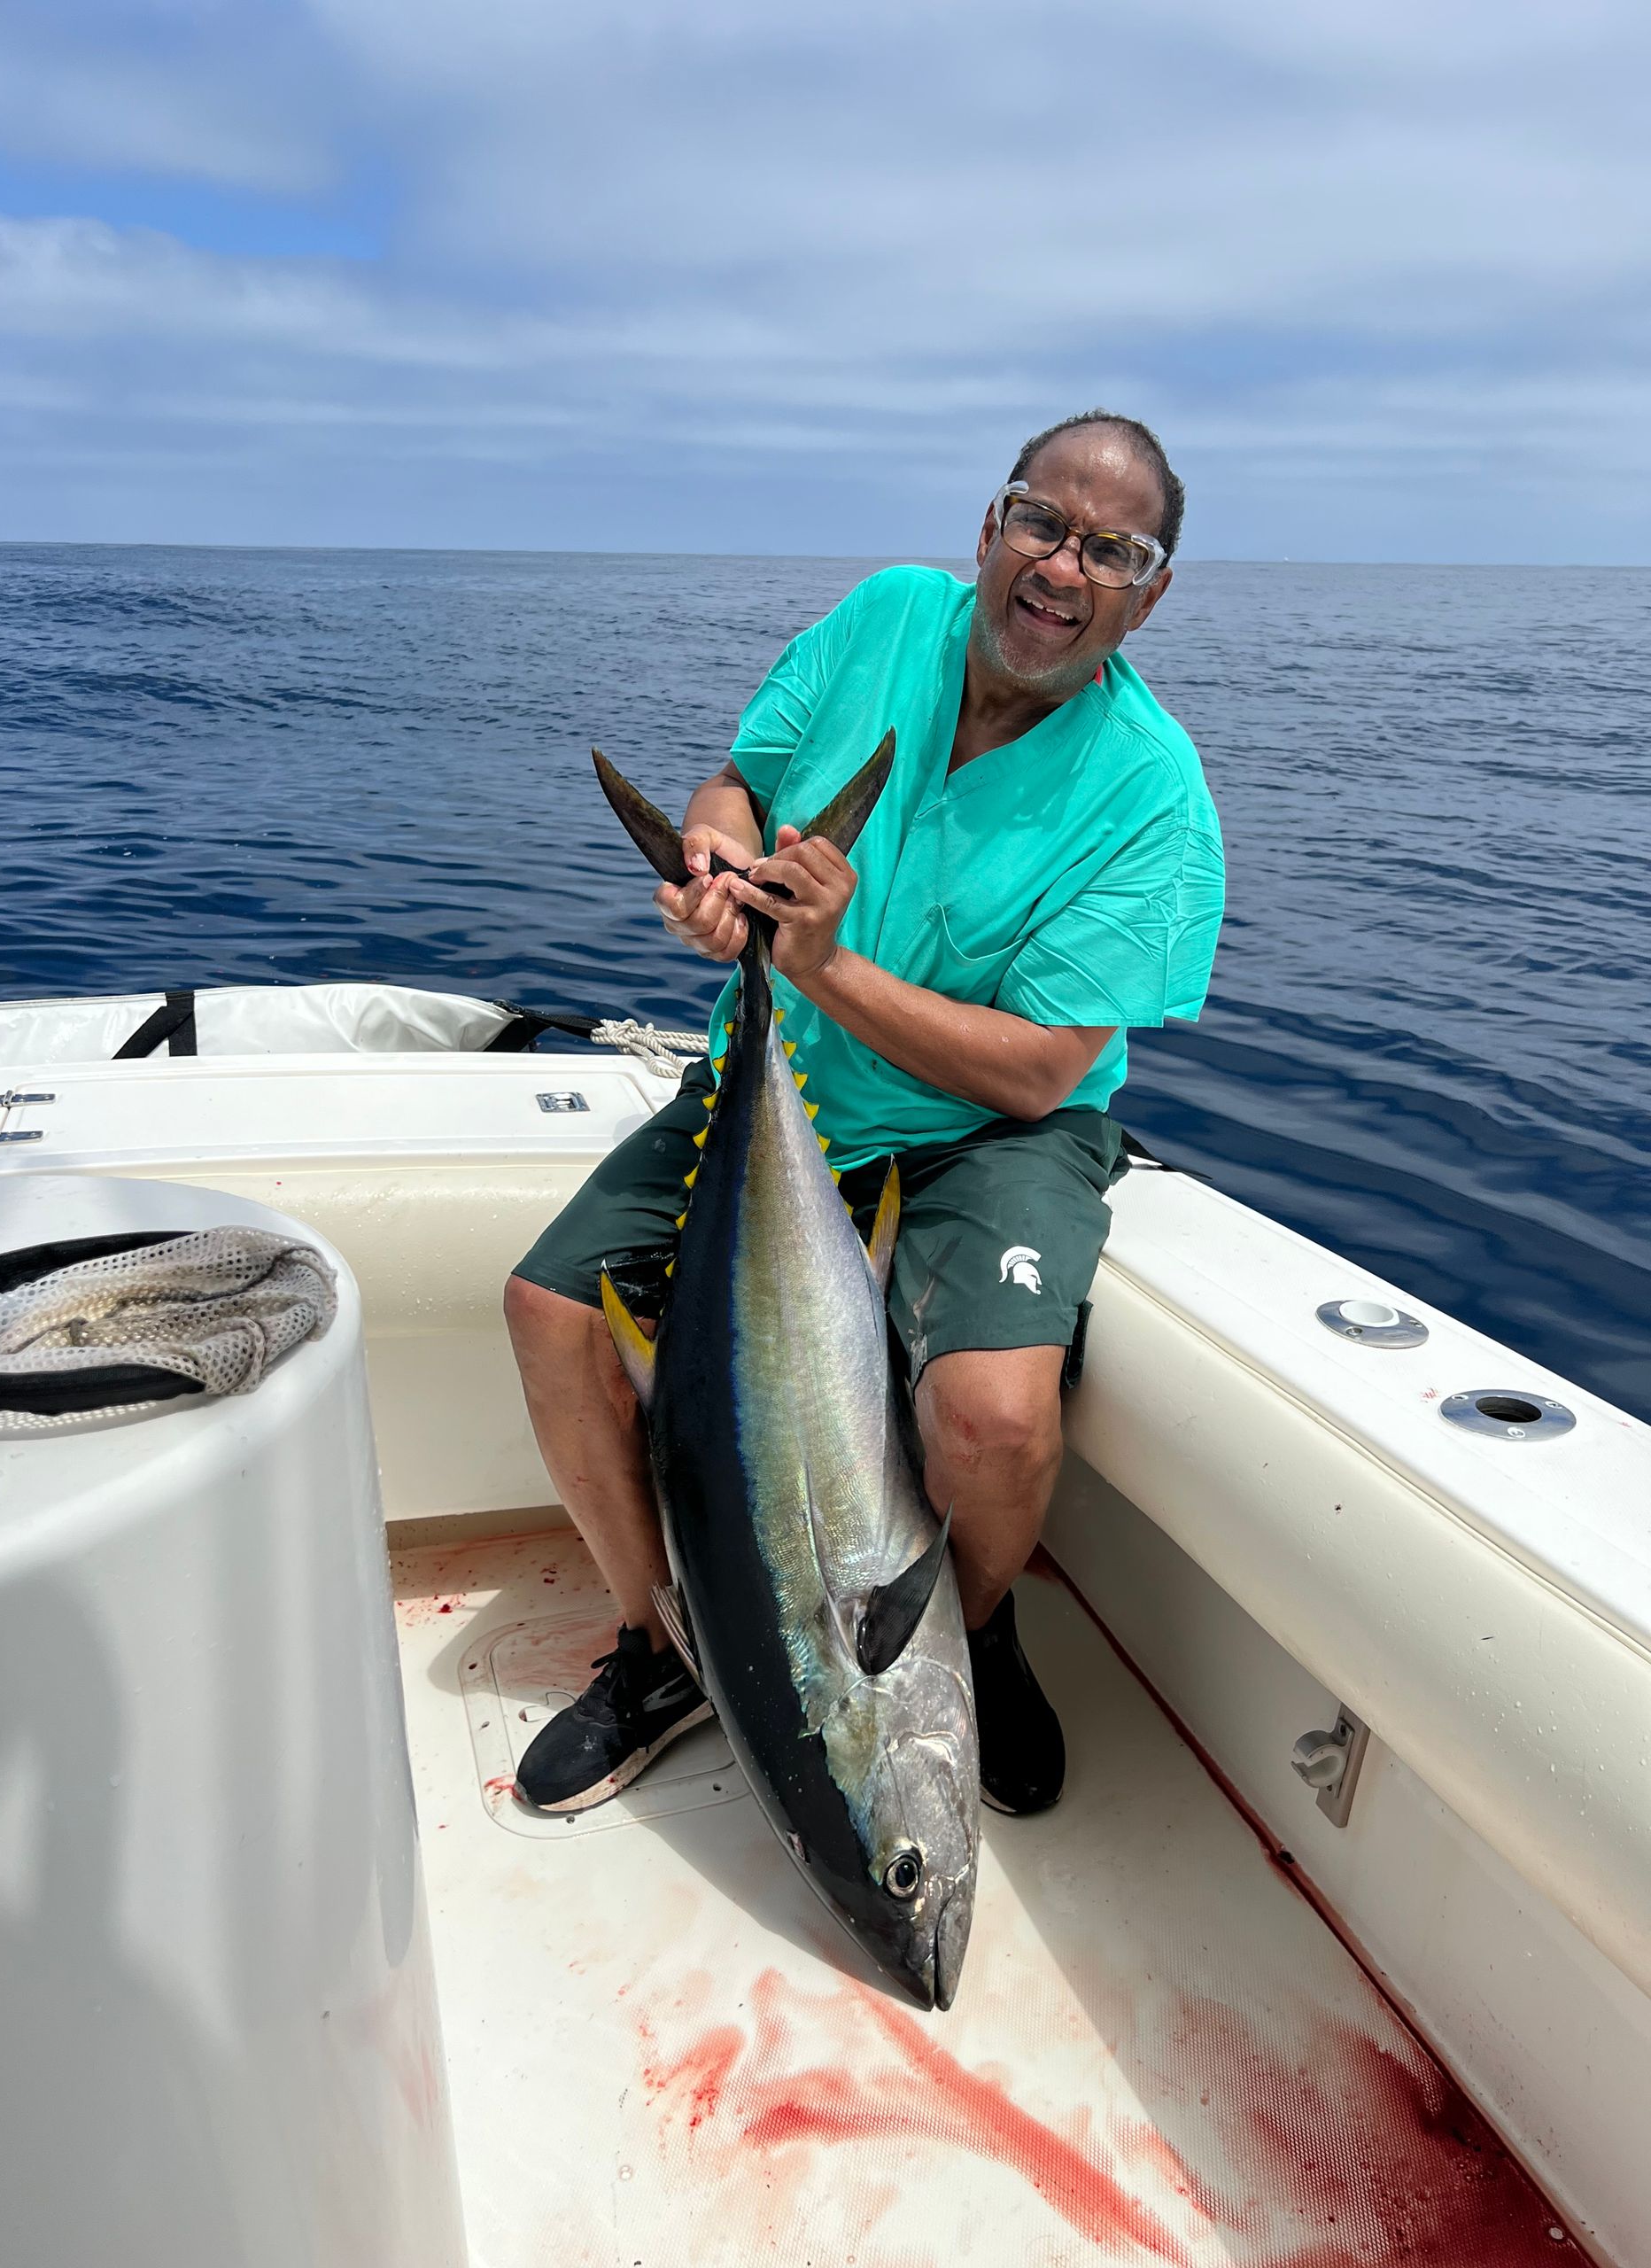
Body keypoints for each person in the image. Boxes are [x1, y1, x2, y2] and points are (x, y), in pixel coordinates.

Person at [505, 410, 1224, 1818]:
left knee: (996, 1422)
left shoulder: (1151, 793)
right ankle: (657, 1650)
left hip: (990, 1133)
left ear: (1150, 593)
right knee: (550, 1309)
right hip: (786, 1088)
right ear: (989, 527)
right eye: (1041, 521)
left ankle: (975, 1627)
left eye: (1110, 548)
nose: (1062, 564)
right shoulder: (887, 615)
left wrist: (822, 963)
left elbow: (1033, 1069)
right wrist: (717, 854)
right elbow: (742, 777)